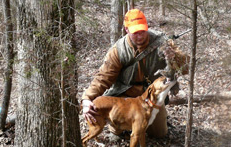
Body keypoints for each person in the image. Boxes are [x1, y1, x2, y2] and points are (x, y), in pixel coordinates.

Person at [81, 9, 189, 138]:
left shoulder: (162, 42)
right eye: (135, 32)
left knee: (159, 134)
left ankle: (143, 123)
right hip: (124, 95)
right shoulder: (119, 50)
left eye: (142, 31)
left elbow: (185, 69)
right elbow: (103, 77)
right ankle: (122, 125)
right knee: (117, 132)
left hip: (150, 97)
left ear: (147, 27)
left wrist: (175, 58)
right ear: (127, 30)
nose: (140, 36)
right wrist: (87, 99)